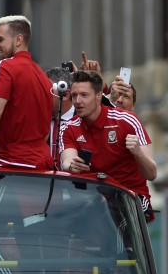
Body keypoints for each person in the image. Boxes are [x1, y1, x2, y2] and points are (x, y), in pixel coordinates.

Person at [61, 70, 156, 219]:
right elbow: (67, 161)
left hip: (131, 196)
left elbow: (152, 173)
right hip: (94, 199)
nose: (77, 101)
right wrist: (71, 166)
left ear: (99, 96)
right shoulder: (68, 127)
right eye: (74, 96)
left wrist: (137, 152)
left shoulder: (127, 120)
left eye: (84, 95)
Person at [0, 16, 53, 170]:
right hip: (43, 164)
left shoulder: (5, 66)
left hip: (13, 164)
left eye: (0, 39)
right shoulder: (43, 76)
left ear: (18, 40)